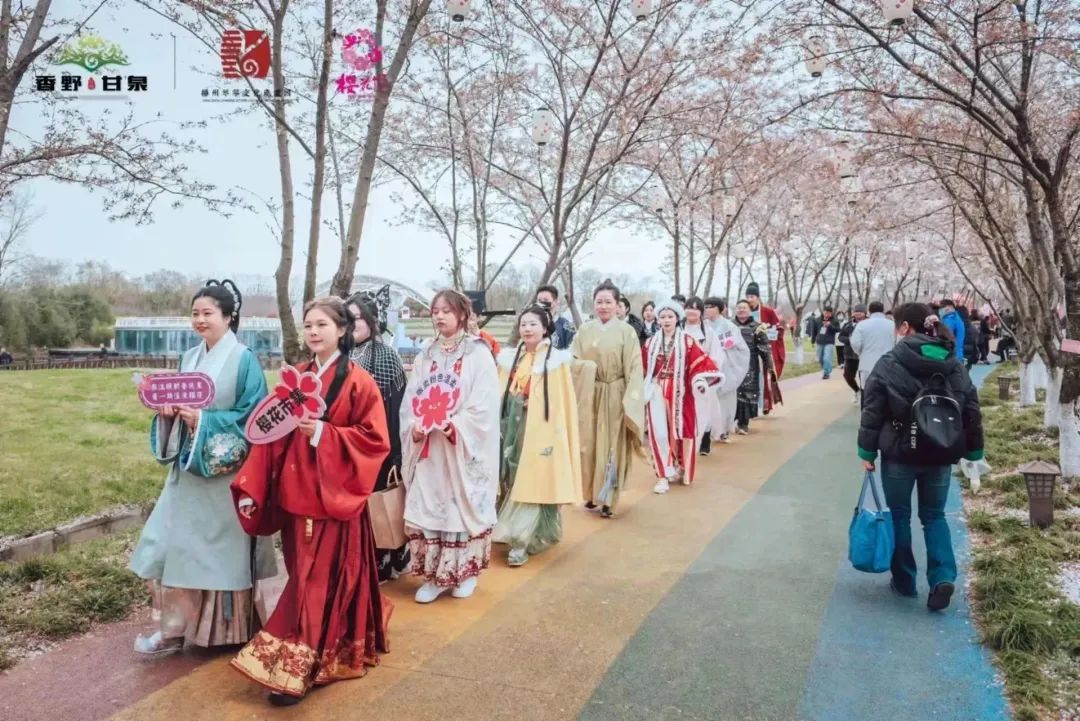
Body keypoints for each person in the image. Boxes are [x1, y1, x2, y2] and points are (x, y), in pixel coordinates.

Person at [230, 296, 391, 704]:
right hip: (295, 496)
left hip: (334, 501)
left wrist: (323, 433)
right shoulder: (294, 378)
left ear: (341, 330)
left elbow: (375, 441)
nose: (314, 332)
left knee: (315, 584)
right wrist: (252, 487)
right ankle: (322, 648)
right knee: (304, 578)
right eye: (308, 325)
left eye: (322, 324)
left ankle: (298, 670)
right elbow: (267, 438)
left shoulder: (359, 381)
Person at [129, 280, 276, 656]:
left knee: (217, 555)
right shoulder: (189, 358)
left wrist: (204, 421)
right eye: (195, 313)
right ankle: (173, 629)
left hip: (223, 475)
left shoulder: (243, 359)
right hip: (188, 470)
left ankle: (225, 632)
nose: (199, 320)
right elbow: (179, 408)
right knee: (166, 545)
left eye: (207, 313)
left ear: (229, 317)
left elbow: (254, 417)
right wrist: (169, 417)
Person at [857, 303, 984, 612]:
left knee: (899, 514)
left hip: (899, 453)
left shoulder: (889, 363)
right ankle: (942, 577)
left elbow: (872, 409)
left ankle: (904, 579)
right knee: (934, 516)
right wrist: (974, 451)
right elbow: (970, 409)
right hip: (941, 452)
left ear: (904, 328)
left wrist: (867, 450)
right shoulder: (953, 364)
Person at [400, 289, 501, 603]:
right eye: (435, 311)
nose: (440, 316)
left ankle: (465, 572)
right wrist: (414, 425)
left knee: (460, 506)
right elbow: (411, 399)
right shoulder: (425, 354)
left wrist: (455, 425)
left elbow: (484, 404)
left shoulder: (477, 352)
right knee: (432, 505)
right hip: (430, 448)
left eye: (446, 310)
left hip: (460, 446)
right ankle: (435, 575)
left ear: (461, 314)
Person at [493, 305, 582, 566]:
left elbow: (560, 403)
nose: (527, 329)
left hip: (541, 430)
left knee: (533, 479)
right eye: (523, 324)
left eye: (533, 324)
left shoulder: (556, 362)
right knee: (511, 475)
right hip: (511, 425)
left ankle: (521, 539)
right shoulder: (511, 358)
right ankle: (513, 531)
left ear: (545, 328)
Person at [347, 292, 410, 583]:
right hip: (349, 443)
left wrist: (391, 449)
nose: (351, 324)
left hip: (379, 442)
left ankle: (384, 562)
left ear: (372, 321)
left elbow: (393, 408)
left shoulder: (385, 356)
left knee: (379, 502)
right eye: (346, 317)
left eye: (357, 317)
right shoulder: (343, 353)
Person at [571, 279, 646, 518]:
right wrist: (586, 368)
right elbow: (572, 359)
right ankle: (593, 493)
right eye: (599, 301)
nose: (603, 306)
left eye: (608, 302)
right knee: (589, 444)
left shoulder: (627, 332)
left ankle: (609, 498)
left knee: (612, 445)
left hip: (616, 392)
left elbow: (635, 367)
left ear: (617, 305)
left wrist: (629, 400)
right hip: (591, 392)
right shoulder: (584, 330)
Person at [643, 300, 721, 493]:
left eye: (670, 316)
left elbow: (700, 366)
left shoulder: (687, 342)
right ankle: (662, 474)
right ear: (658, 320)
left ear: (677, 318)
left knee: (680, 432)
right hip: (656, 391)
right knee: (659, 433)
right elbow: (643, 369)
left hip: (680, 392)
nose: (666, 320)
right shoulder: (650, 343)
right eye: (662, 317)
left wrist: (700, 383)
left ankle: (679, 466)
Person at [702, 297, 750, 446]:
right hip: (708, 369)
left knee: (726, 401)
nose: (707, 309)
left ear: (719, 309)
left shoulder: (730, 327)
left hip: (727, 369)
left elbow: (740, 348)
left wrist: (725, 350)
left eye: (711, 306)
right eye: (706, 306)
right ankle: (707, 431)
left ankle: (724, 431)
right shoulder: (703, 326)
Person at [733, 299, 773, 434]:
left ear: (750, 310)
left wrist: (769, 365)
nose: (741, 310)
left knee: (746, 393)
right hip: (731, 364)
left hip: (750, 365)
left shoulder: (758, 327)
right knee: (732, 392)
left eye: (744, 308)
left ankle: (743, 423)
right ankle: (729, 421)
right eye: (739, 308)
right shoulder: (730, 326)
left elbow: (765, 349)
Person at [744, 282, 786, 381]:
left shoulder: (768, 312)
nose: (749, 299)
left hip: (764, 350)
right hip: (748, 350)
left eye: (752, 296)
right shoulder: (744, 312)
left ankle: (766, 395)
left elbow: (778, 330)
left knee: (765, 378)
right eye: (747, 297)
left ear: (758, 298)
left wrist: (766, 333)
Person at [849, 301, 894, 387]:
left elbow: (855, 343)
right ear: (883, 310)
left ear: (869, 311)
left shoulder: (861, 325)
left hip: (867, 364)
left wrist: (861, 353)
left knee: (868, 392)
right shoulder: (892, 325)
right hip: (888, 365)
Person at [838, 305, 866, 404]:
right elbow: (840, 337)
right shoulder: (848, 325)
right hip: (850, 354)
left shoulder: (868, 324)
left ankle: (865, 396)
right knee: (848, 375)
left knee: (864, 376)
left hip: (864, 354)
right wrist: (851, 340)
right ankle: (857, 391)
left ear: (865, 313)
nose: (858, 313)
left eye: (860, 311)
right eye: (856, 311)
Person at [535, 285, 575, 350]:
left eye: (545, 300)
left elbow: (572, 353)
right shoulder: (531, 324)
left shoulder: (566, 326)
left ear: (555, 302)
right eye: (539, 300)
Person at [808, 306, 839, 379]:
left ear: (831, 314)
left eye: (829, 313)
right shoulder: (817, 320)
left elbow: (838, 329)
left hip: (829, 342)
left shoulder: (834, 320)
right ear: (823, 312)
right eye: (826, 312)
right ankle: (827, 368)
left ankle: (826, 373)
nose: (827, 314)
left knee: (827, 358)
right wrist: (813, 340)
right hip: (819, 341)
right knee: (820, 358)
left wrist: (830, 325)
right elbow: (814, 331)